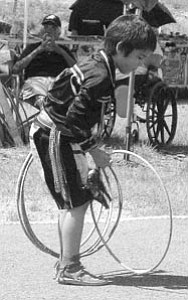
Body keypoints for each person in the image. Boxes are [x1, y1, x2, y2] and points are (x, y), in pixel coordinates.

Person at [30, 14, 156, 286]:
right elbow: (73, 120)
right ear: (121, 48)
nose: (140, 64)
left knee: (75, 199)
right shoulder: (99, 75)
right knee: (76, 202)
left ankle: (66, 260)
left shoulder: (99, 65)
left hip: (60, 134)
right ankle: (70, 268)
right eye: (139, 57)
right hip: (56, 133)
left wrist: (91, 154)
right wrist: (93, 151)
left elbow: (82, 118)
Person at [12, 14, 76, 109]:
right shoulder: (33, 47)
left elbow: (77, 69)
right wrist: (38, 50)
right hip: (35, 81)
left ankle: (46, 110)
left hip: (58, 83)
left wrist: (60, 51)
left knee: (61, 95)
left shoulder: (63, 50)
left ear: (58, 32)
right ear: (42, 31)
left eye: (53, 28)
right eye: (46, 27)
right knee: (39, 95)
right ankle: (45, 109)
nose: (49, 31)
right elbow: (16, 69)